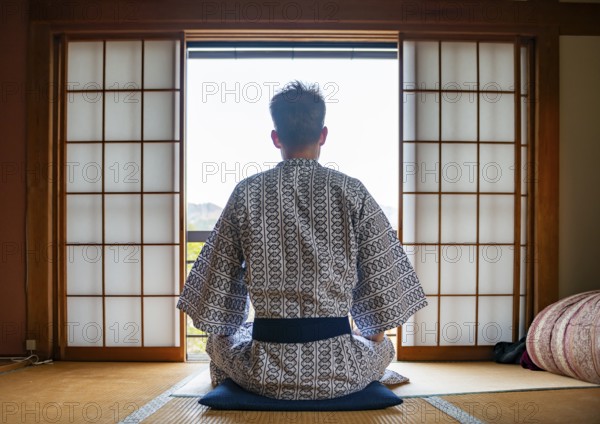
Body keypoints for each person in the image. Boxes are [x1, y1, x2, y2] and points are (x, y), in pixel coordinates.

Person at [177, 81, 427, 400]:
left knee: (217, 342)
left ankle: (231, 381)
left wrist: (230, 328)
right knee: (384, 345)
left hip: (264, 372)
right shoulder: (353, 191)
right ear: (323, 135)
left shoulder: (246, 193)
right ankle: (367, 377)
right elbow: (380, 294)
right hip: (341, 372)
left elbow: (218, 297)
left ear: (275, 138)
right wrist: (371, 335)